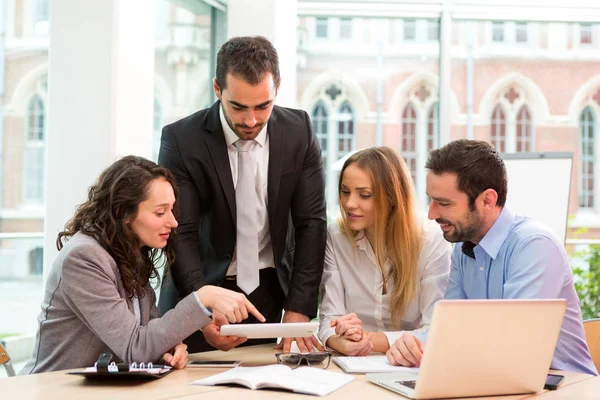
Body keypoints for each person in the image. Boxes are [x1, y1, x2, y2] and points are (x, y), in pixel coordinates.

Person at [158, 36, 326, 353]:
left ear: (277, 87)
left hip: (268, 297)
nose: (251, 121)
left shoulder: (299, 131)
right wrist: (201, 311)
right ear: (218, 89)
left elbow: (311, 224)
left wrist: (299, 307)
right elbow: (183, 232)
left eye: (263, 106)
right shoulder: (181, 140)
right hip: (197, 287)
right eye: (238, 107)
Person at [21, 156, 264, 374]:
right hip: (54, 389)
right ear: (123, 213)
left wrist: (168, 349)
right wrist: (203, 298)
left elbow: (148, 331)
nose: (173, 222)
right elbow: (135, 347)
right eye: (160, 213)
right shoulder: (84, 258)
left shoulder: (130, 250)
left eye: (172, 210)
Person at [386, 139, 598, 376]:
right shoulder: (463, 247)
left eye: (444, 203)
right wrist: (412, 346)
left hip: (564, 387)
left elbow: (511, 344)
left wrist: (443, 345)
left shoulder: (535, 246)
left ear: (487, 200)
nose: (432, 213)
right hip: (501, 381)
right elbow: (450, 328)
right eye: (432, 200)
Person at [318, 147, 451, 356]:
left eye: (364, 195)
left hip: (409, 363)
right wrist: (338, 340)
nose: (349, 204)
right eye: (345, 192)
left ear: (392, 198)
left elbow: (435, 329)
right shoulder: (336, 236)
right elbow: (329, 318)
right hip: (349, 363)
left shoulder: (430, 239)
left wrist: (370, 340)